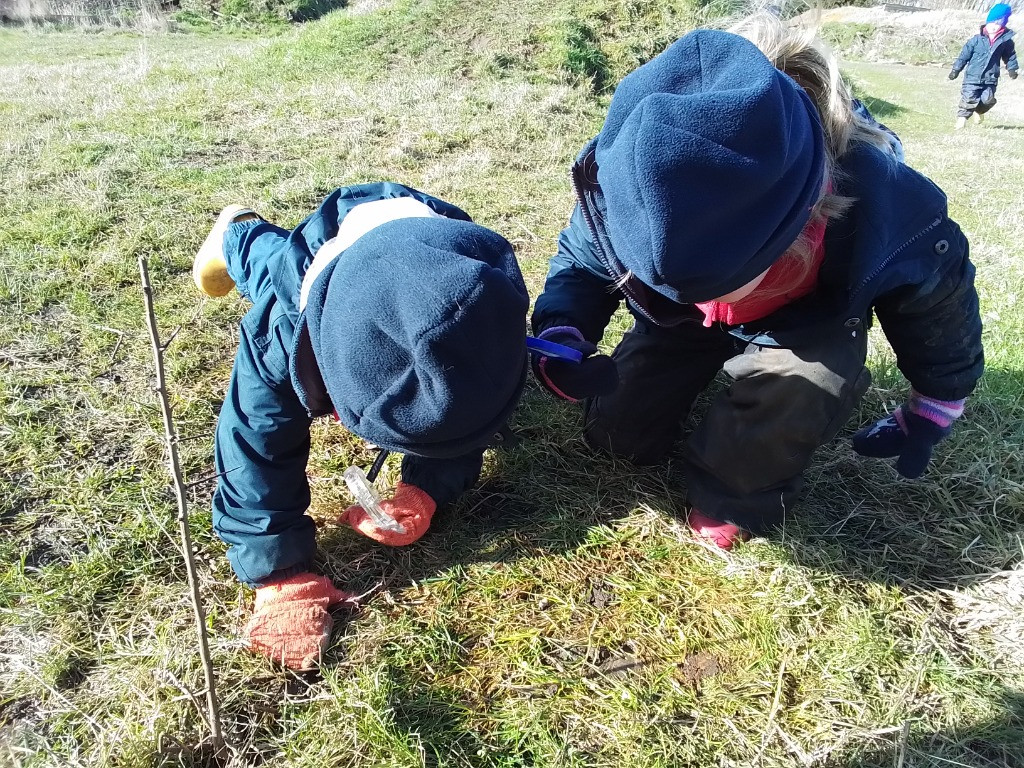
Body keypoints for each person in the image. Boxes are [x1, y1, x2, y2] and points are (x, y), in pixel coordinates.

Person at [529, 17, 984, 550]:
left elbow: (936, 301)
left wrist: (939, 398)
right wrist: (561, 332)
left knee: (805, 381)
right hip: (672, 325)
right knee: (616, 437)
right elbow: (581, 264)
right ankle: (682, 349)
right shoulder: (621, 179)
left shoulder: (889, 205)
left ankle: (733, 490)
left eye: (730, 282)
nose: (705, 302)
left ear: (804, 222)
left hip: (809, 324)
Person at [192, 183, 529, 668]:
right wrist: (280, 574)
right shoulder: (282, 334)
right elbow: (256, 442)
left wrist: (425, 490)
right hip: (315, 260)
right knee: (269, 265)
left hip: (428, 236)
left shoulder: (478, 300)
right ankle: (237, 232)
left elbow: (466, 409)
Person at [949, 3, 1018, 130]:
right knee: (969, 97)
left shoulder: (1006, 42)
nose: (994, 26)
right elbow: (964, 56)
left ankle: (979, 111)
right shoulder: (976, 40)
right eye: (992, 23)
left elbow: (1010, 56)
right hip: (972, 77)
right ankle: (961, 120)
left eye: (998, 23)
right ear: (987, 22)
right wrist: (956, 69)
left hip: (990, 78)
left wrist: (1012, 69)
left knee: (988, 100)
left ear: (1003, 25)